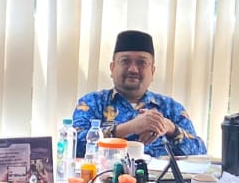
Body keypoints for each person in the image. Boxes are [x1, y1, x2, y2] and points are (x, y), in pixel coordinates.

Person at [73, 30, 205, 159]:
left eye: (142, 63)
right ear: (112, 68)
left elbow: (200, 153)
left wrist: (170, 128)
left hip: (160, 174)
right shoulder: (92, 103)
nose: (133, 69)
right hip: (109, 173)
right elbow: (74, 146)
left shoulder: (171, 108)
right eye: (125, 61)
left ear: (152, 71)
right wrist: (128, 128)